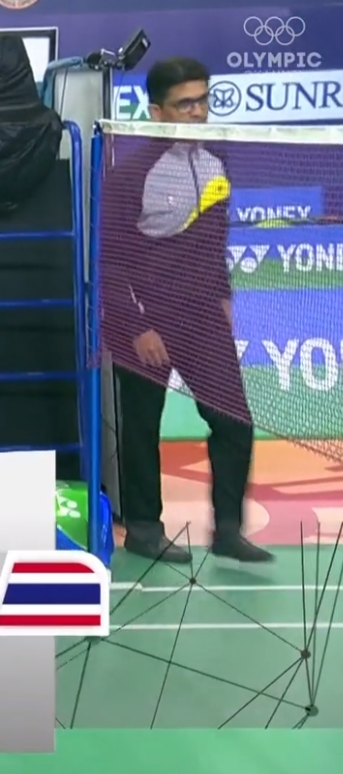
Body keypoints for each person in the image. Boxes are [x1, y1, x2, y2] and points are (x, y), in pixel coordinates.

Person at [102, 57, 271, 563]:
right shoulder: (131, 175)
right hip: (145, 321)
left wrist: (223, 295)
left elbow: (213, 240)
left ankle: (228, 532)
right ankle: (143, 530)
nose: (197, 112)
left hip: (201, 318)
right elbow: (109, 259)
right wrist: (138, 326)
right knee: (141, 429)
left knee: (234, 420)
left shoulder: (217, 160)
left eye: (202, 101)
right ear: (156, 112)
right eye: (184, 104)